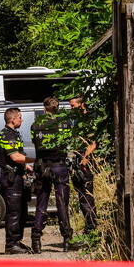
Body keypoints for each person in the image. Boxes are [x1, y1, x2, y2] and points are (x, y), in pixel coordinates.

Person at [29, 97, 74, 253]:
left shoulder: (35, 124)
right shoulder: (65, 123)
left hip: (42, 166)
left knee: (41, 203)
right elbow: (68, 141)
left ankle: (36, 240)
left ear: (44, 107)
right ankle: (67, 239)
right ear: (57, 107)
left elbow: (35, 142)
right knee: (62, 203)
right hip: (59, 165)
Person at [0, 105, 33, 255]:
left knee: (22, 211)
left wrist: (27, 167)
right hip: (11, 179)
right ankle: (11, 244)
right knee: (14, 212)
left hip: (17, 177)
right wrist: (35, 160)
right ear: (12, 119)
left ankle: (17, 241)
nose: (21, 120)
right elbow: (15, 157)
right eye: (19, 117)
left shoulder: (13, 133)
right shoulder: (7, 135)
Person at [68, 95, 98, 234]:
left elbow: (93, 143)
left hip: (86, 161)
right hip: (77, 160)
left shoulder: (90, 118)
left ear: (82, 104)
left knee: (87, 194)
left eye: (73, 105)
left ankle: (92, 226)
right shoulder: (77, 120)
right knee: (81, 194)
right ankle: (88, 224)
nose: (71, 108)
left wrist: (85, 158)